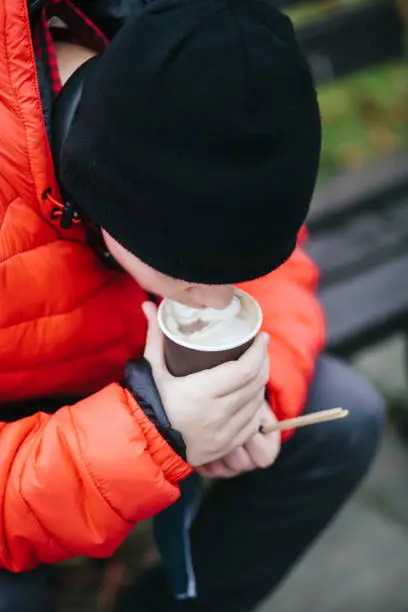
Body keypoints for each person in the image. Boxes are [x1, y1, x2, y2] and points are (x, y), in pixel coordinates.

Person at [0, 0, 385, 611]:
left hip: (113, 375)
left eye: (239, 269)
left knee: (350, 419)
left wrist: (259, 398)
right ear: (102, 195)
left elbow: (279, 273)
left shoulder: (202, 83)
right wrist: (151, 433)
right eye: (195, 272)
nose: (219, 296)